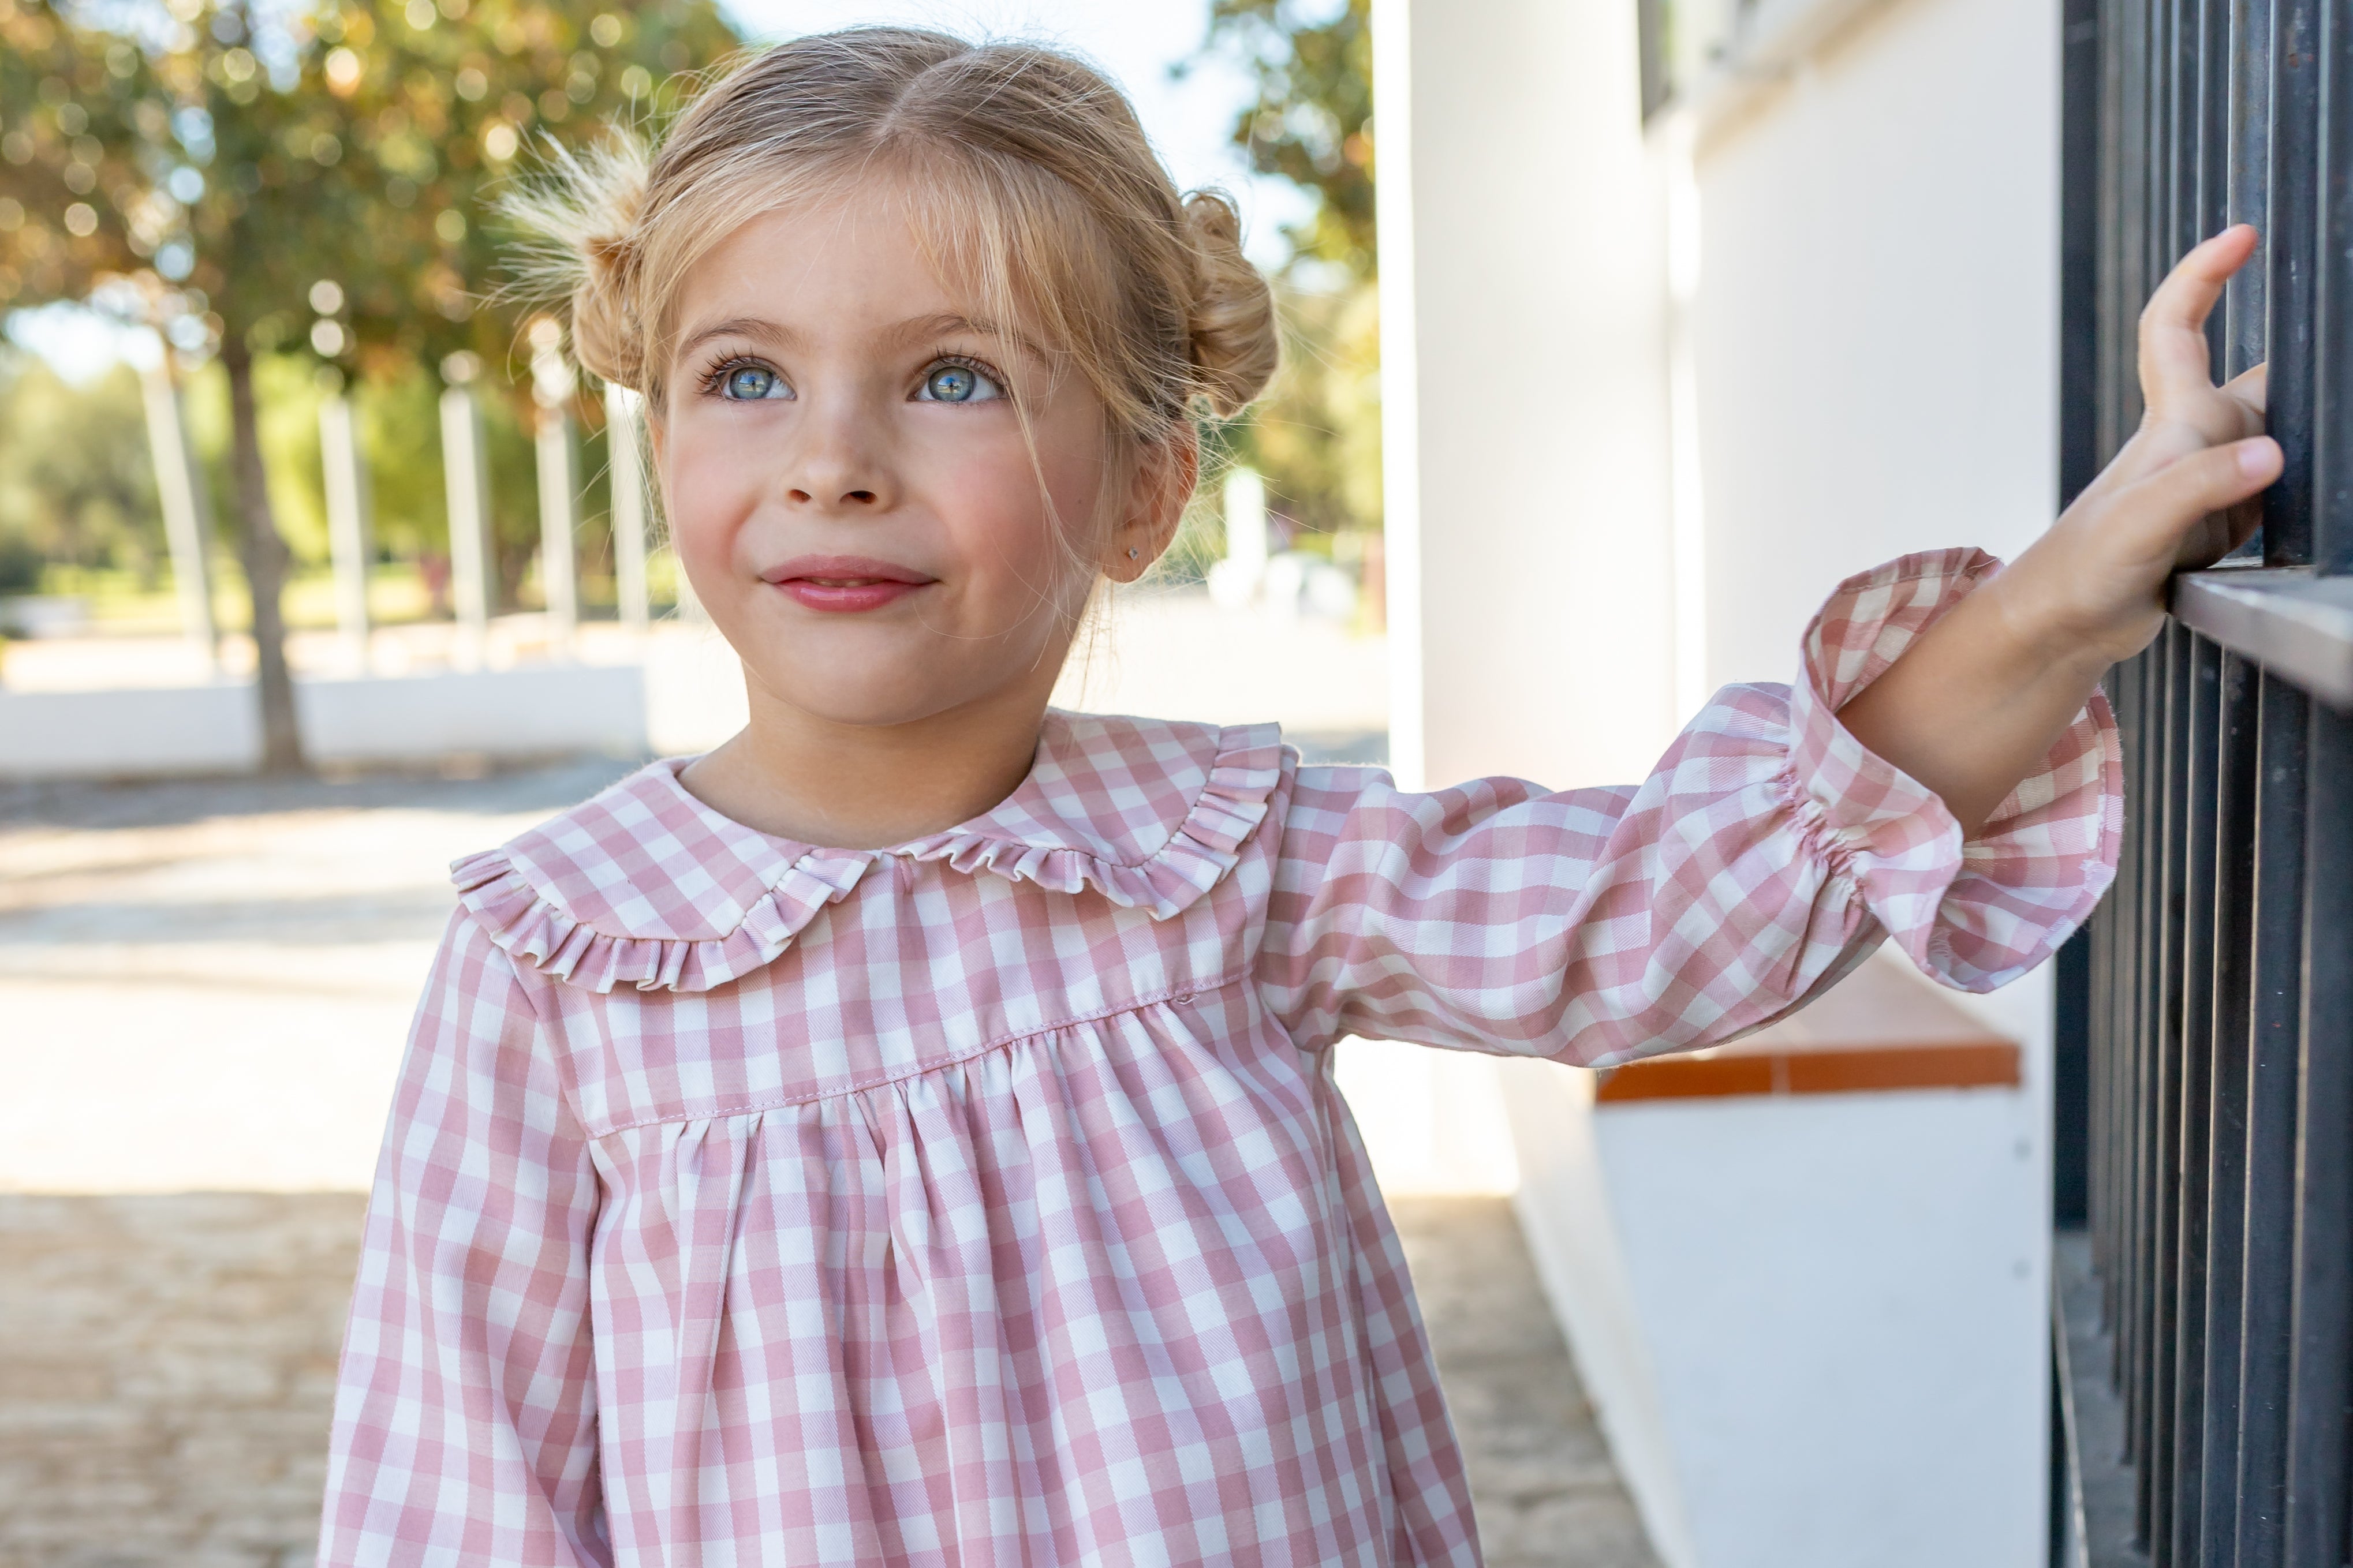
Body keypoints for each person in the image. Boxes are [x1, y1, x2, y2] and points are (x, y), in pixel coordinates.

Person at [316, 28, 2274, 1567]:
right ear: (656, 437)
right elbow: (452, 1502)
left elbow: (1664, 912)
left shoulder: (1232, 868)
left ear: (1146, 487)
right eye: (745, 377)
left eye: (956, 380)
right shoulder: (562, 969)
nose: (831, 460)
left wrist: (2066, 590)